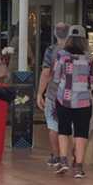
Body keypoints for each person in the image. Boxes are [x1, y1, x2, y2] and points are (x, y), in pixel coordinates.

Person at [51, 27, 93, 178]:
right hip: (83, 101)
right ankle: (79, 167)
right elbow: (92, 82)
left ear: (68, 38)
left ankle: (64, 161)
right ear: (84, 40)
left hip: (64, 99)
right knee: (81, 133)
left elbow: (56, 78)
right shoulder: (89, 58)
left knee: (63, 129)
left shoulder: (61, 56)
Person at [36, 22, 69, 168]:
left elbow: (46, 73)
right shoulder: (79, 50)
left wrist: (39, 93)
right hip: (73, 95)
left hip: (54, 93)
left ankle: (56, 156)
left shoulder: (51, 50)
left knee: (53, 125)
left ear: (55, 33)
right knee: (71, 126)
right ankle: (73, 157)